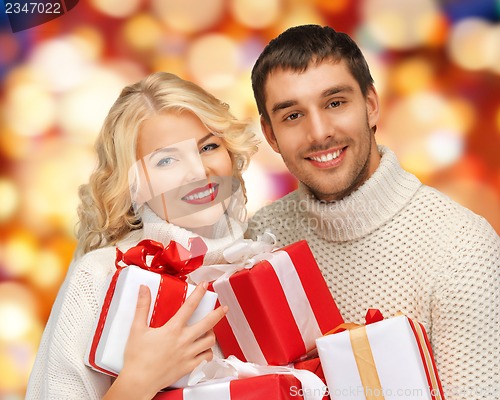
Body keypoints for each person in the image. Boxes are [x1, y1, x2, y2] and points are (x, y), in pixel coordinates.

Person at [246, 24, 499, 399]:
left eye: (335, 103)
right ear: (270, 135)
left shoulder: (462, 248)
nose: (319, 133)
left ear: (370, 104)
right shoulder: (260, 237)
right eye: (293, 116)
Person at [26, 72, 258, 399]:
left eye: (208, 146)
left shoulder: (262, 260)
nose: (197, 171)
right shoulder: (100, 275)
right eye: (166, 160)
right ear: (133, 185)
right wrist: (139, 381)